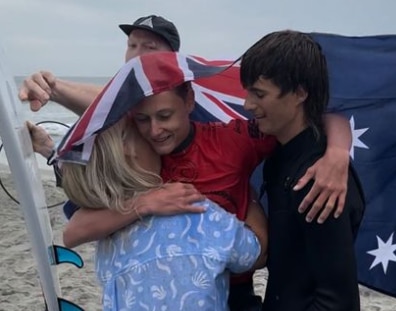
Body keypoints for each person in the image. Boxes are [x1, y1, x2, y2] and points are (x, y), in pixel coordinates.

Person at [19, 14, 353, 225]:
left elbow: (310, 113)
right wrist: (52, 87)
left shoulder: (207, 94)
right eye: (131, 46)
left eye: (149, 48)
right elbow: (99, 131)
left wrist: (338, 153)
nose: (136, 57)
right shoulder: (128, 121)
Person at [57, 113, 268, 311]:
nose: (154, 136)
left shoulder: (108, 233)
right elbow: (255, 254)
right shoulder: (194, 212)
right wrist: (248, 195)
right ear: (129, 153)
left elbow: (71, 232)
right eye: (142, 135)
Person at [240, 30, 365, 310]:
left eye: (259, 94)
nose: (248, 104)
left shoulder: (318, 179)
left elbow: (337, 302)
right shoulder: (279, 155)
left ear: (299, 92)